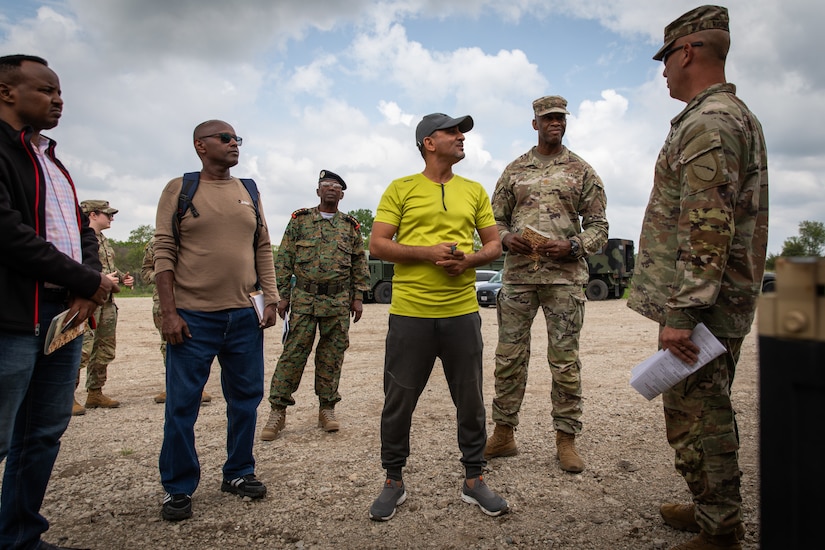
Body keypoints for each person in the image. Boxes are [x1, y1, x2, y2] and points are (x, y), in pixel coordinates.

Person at [627, 6, 768, 550]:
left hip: (702, 307)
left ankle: (720, 530)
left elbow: (708, 223)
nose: (662, 72)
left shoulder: (708, 122)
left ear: (687, 51)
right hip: (715, 300)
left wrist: (682, 313)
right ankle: (713, 508)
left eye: (665, 60)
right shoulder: (729, 115)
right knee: (702, 404)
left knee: (699, 412)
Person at [0, 54, 117, 550]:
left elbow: (80, 234)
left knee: (42, 434)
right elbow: (10, 236)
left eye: (60, 90)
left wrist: (86, 282)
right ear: (7, 91)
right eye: (46, 90)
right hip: (10, 318)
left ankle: (20, 535)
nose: (59, 99)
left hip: (58, 319)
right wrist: (87, 282)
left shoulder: (51, 161)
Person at [367, 112, 507, 521]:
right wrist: (427, 253)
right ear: (429, 142)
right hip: (411, 314)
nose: (461, 137)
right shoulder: (401, 188)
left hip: (462, 313)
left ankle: (474, 479)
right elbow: (377, 244)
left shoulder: (474, 190)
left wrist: (469, 263)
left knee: (471, 399)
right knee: (398, 400)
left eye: (462, 132)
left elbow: (494, 245)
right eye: (453, 132)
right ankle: (393, 480)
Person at [153, 120, 279, 522]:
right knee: (182, 405)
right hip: (192, 318)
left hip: (244, 317)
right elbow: (164, 249)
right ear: (200, 146)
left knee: (245, 400)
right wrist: (169, 312)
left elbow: (262, 246)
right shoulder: (180, 188)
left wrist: (271, 300)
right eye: (225, 138)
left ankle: (238, 472)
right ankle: (178, 487)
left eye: (237, 138)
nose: (234, 144)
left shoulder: (249, 190)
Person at [485, 95, 609, 473]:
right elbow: (494, 222)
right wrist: (506, 239)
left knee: (565, 362)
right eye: (548, 118)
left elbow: (600, 228)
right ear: (535, 123)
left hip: (564, 279)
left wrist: (572, 245)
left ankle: (566, 440)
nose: (555, 123)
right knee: (509, 358)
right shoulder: (514, 171)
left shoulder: (582, 171)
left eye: (560, 118)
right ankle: (503, 433)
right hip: (519, 277)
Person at [260, 170, 369, 440]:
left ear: (342, 194)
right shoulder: (300, 220)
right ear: (318, 191)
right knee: (293, 354)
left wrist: (358, 297)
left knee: (331, 357)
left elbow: (359, 263)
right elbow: (283, 259)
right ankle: (277, 412)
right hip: (304, 300)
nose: (330, 189)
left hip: (337, 302)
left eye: (336, 186)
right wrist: (281, 296)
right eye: (325, 185)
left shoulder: (350, 226)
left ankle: (327, 409)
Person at [72, 200, 134, 414]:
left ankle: (95, 393)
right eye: (108, 214)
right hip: (87, 300)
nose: (111, 218)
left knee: (103, 348)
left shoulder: (103, 240)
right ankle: (67, 396)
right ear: (93, 215)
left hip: (106, 302)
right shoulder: (77, 238)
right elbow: (74, 266)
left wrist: (121, 278)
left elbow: (107, 268)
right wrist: (95, 278)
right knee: (81, 348)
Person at [139, 237, 211, 405]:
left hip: (193, 299)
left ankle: (194, 387)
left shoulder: (195, 236)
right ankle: (176, 387)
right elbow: (145, 272)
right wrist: (162, 274)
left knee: (196, 342)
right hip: (164, 302)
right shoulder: (155, 242)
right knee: (170, 345)